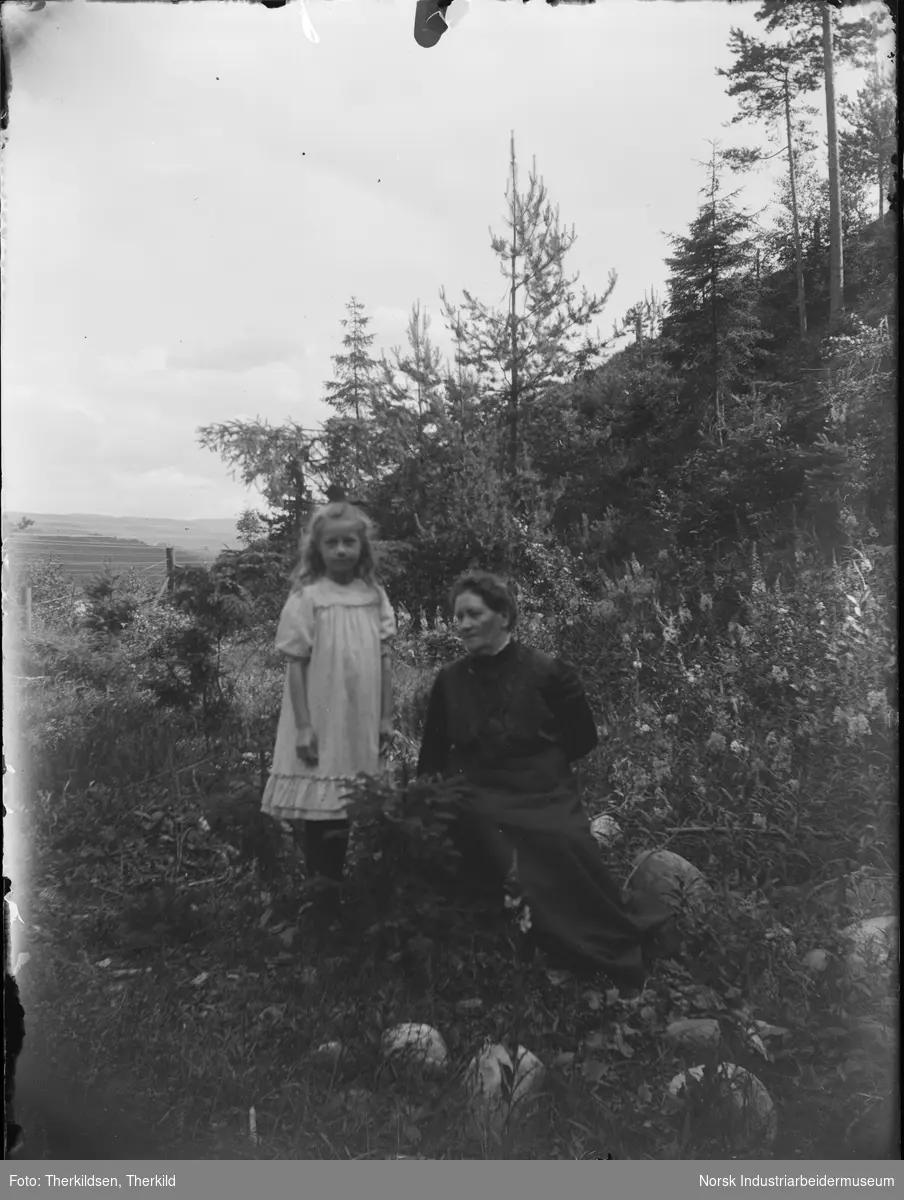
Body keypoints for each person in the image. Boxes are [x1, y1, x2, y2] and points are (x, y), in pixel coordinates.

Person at [416, 570, 673, 989]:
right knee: (480, 824)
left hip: (542, 789)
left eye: (472, 614)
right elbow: (432, 752)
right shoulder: (450, 680)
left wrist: (539, 768)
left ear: (503, 615)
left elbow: (582, 737)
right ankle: (501, 930)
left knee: (560, 839)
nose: (460, 625)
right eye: (456, 616)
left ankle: (582, 939)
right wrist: (426, 801)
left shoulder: (548, 672)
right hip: (477, 792)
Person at [261, 492, 397, 920]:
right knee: (321, 812)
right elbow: (296, 666)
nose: (340, 550)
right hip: (321, 716)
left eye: (349, 542)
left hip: (359, 716)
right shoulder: (309, 597)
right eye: (331, 543)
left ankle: (343, 893)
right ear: (317, 549)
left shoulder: (373, 595)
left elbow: (384, 659)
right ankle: (323, 898)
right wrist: (303, 726)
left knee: (349, 805)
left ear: (362, 548)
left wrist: (386, 715)